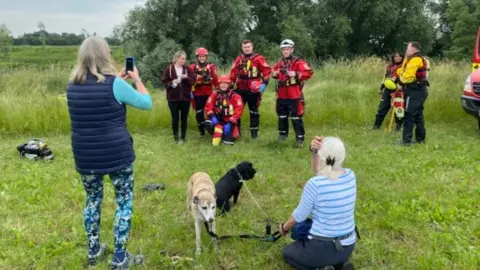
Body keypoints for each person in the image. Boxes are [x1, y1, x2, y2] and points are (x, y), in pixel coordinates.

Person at [66, 36, 152, 269]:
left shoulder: (71, 85)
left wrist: (118, 81)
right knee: (123, 203)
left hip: (86, 156)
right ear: (106, 55)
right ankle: (120, 258)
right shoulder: (115, 84)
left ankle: (94, 251)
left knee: (92, 201)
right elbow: (146, 103)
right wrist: (136, 80)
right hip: (118, 155)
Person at [279, 136, 357, 270]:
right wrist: (315, 153)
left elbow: (298, 217)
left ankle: (321, 267)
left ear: (322, 157)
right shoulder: (350, 175)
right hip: (347, 247)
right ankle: (339, 265)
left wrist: (283, 228)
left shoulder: (315, 185)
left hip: (322, 246)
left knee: (288, 252)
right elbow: (320, 173)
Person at [272, 39, 313, 146]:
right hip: (281, 93)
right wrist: (275, 73)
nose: (285, 51)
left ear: (292, 49)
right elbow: (273, 72)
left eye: (287, 49)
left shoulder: (299, 62)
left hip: (294, 93)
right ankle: (282, 136)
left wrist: (296, 73)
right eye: (283, 50)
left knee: (296, 117)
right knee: (282, 116)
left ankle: (300, 139)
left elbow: (309, 72)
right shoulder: (279, 62)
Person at [229, 39, 272, 139]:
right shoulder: (238, 59)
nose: (246, 49)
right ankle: (236, 132)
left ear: (252, 47)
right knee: (237, 111)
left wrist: (264, 83)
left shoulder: (258, 58)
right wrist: (230, 86)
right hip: (240, 89)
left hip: (253, 89)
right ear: (242, 48)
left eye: (248, 47)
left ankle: (254, 134)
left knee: (254, 112)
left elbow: (267, 71)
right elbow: (233, 73)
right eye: (244, 47)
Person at [397, 42, 430, 145]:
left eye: (408, 48)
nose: (406, 50)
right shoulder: (412, 59)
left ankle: (406, 141)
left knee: (409, 115)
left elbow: (408, 77)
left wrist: (400, 81)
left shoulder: (416, 60)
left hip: (415, 90)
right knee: (418, 115)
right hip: (419, 90)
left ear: (413, 49)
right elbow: (401, 70)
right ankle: (420, 139)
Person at [162, 50, 195, 144]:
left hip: (185, 98)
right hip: (173, 99)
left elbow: (193, 81)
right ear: (177, 58)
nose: (183, 61)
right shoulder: (169, 69)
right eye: (182, 59)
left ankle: (183, 138)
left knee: (184, 118)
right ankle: (176, 139)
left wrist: (186, 78)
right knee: (175, 118)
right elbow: (164, 82)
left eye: (184, 59)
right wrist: (172, 82)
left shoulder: (187, 69)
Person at [204, 75, 244, 146]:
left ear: (229, 85)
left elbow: (239, 110)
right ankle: (217, 131)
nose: (223, 85)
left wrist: (231, 122)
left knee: (228, 143)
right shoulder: (215, 94)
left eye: (225, 83)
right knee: (207, 123)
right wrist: (212, 116)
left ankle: (228, 132)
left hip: (229, 121)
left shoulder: (235, 96)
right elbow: (208, 106)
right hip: (218, 119)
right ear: (219, 84)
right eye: (221, 83)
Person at [189, 47, 219, 136]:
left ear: (206, 57)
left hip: (209, 93)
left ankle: (212, 129)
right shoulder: (193, 67)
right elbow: (189, 80)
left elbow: (215, 79)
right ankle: (201, 132)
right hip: (197, 94)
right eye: (200, 56)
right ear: (197, 57)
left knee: (211, 111)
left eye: (203, 56)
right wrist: (189, 90)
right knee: (199, 113)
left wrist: (218, 90)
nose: (202, 58)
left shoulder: (211, 67)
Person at [373, 52, 405, 130]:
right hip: (387, 90)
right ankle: (376, 126)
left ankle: (398, 127)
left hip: (399, 90)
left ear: (402, 57)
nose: (397, 57)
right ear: (393, 57)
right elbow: (385, 78)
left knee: (398, 110)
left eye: (399, 56)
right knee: (382, 108)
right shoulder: (389, 67)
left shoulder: (404, 67)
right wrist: (381, 88)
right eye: (396, 56)